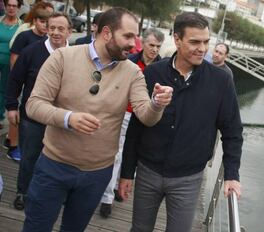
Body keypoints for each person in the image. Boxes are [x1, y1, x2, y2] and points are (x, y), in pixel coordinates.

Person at [22, 7, 173, 232]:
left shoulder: (133, 73)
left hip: (97, 173)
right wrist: (68, 118)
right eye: (128, 36)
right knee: (36, 227)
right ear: (106, 33)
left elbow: (146, 116)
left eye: (136, 37)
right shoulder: (63, 57)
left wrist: (156, 104)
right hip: (54, 166)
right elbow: (34, 105)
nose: (134, 44)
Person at [119, 12, 243, 232]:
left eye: (206, 42)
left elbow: (232, 131)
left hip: (189, 178)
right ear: (177, 39)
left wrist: (232, 175)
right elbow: (136, 127)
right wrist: (127, 173)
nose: (203, 48)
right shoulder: (153, 73)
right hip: (147, 172)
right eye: (195, 42)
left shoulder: (222, 81)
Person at [6, 12, 72, 211]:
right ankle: (23, 192)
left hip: (62, 121)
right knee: (29, 157)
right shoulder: (31, 51)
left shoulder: (78, 55)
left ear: (70, 31)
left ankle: (53, 195)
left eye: (61, 28)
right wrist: (11, 107)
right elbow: (15, 80)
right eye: (52, 28)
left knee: (59, 161)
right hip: (32, 118)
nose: (55, 32)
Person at [99, 27, 165, 218]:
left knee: (133, 155)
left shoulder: (163, 68)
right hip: (126, 114)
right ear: (143, 43)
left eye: (158, 46)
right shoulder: (128, 62)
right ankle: (107, 197)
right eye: (151, 44)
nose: (154, 49)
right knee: (117, 154)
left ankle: (121, 186)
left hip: (146, 118)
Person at [0, 0, 22, 140]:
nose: (11, 8)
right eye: (9, 5)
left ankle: (0, 116)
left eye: (14, 6)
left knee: (4, 89)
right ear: (5, 6)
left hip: (10, 62)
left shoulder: (22, 26)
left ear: (18, 8)